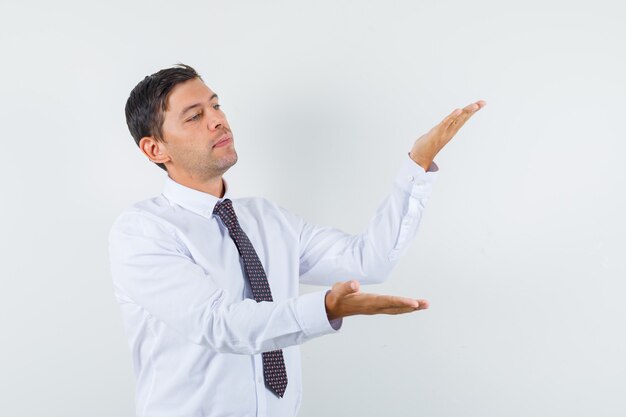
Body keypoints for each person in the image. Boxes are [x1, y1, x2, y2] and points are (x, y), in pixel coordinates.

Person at [109, 63, 485, 417]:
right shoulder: (143, 231)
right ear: (155, 149)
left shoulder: (267, 219)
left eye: (216, 105)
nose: (218, 120)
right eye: (195, 116)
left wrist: (416, 166)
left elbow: (369, 260)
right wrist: (326, 309)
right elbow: (219, 323)